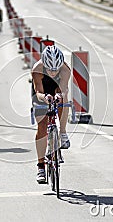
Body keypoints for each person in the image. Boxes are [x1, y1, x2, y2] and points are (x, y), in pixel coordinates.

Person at [31, 44, 71, 183]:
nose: (53, 72)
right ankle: (41, 166)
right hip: (42, 92)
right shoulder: (37, 69)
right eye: (50, 69)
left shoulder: (65, 69)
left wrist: (60, 95)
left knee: (64, 99)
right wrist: (45, 98)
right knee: (42, 127)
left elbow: (64, 88)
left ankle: (63, 133)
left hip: (56, 88)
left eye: (56, 69)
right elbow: (39, 92)